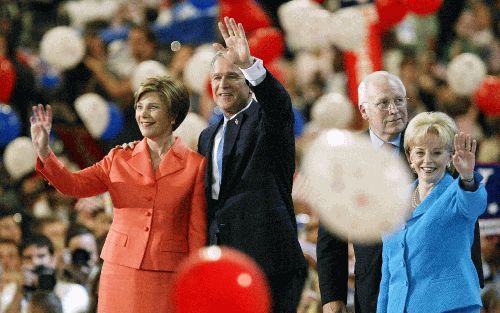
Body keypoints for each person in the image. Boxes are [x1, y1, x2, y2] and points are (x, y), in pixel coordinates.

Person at [30, 76, 207, 313]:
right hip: (118, 269)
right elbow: (74, 185)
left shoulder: (196, 165)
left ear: (173, 115)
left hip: (167, 272)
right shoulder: (119, 158)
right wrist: (45, 152)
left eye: (153, 107)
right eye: (140, 107)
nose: (143, 114)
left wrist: (196, 277)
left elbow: (197, 229)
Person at [316, 71, 483, 313]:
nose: (394, 109)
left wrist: (473, 279)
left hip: (436, 292)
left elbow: (465, 214)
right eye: (383, 103)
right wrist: (332, 296)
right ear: (364, 111)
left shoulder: (434, 144)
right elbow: (333, 231)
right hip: (375, 290)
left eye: (399, 100)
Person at [197, 17, 307, 313]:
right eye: (217, 78)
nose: (222, 85)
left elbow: (278, 104)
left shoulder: (266, 120)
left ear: (247, 82)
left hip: (270, 264)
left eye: (232, 76)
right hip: (223, 263)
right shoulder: (207, 137)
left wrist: (249, 65)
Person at [377, 112, 487, 312]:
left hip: (450, 307)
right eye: (420, 152)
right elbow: (389, 273)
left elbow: (474, 204)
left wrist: (468, 177)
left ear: (450, 158)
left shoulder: (457, 191)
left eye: (436, 152)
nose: (427, 160)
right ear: (410, 156)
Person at [4, 234, 89, 313]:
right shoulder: (11, 291)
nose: (35, 262)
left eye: (41, 256)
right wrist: (20, 291)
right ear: (20, 262)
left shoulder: (74, 291)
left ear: (53, 260)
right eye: (28, 258)